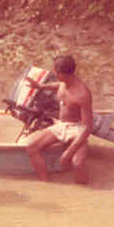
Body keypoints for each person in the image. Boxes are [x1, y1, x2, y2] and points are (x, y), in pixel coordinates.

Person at [25, 54, 93, 184]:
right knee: (32, 148)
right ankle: (46, 183)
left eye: (56, 72)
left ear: (61, 73)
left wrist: (68, 152)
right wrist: (39, 86)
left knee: (77, 163)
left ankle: (84, 189)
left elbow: (88, 128)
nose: (55, 74)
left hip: (78, 128)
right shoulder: (63, 82)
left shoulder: (83, 94)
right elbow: (56, 85)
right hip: (61, 125)